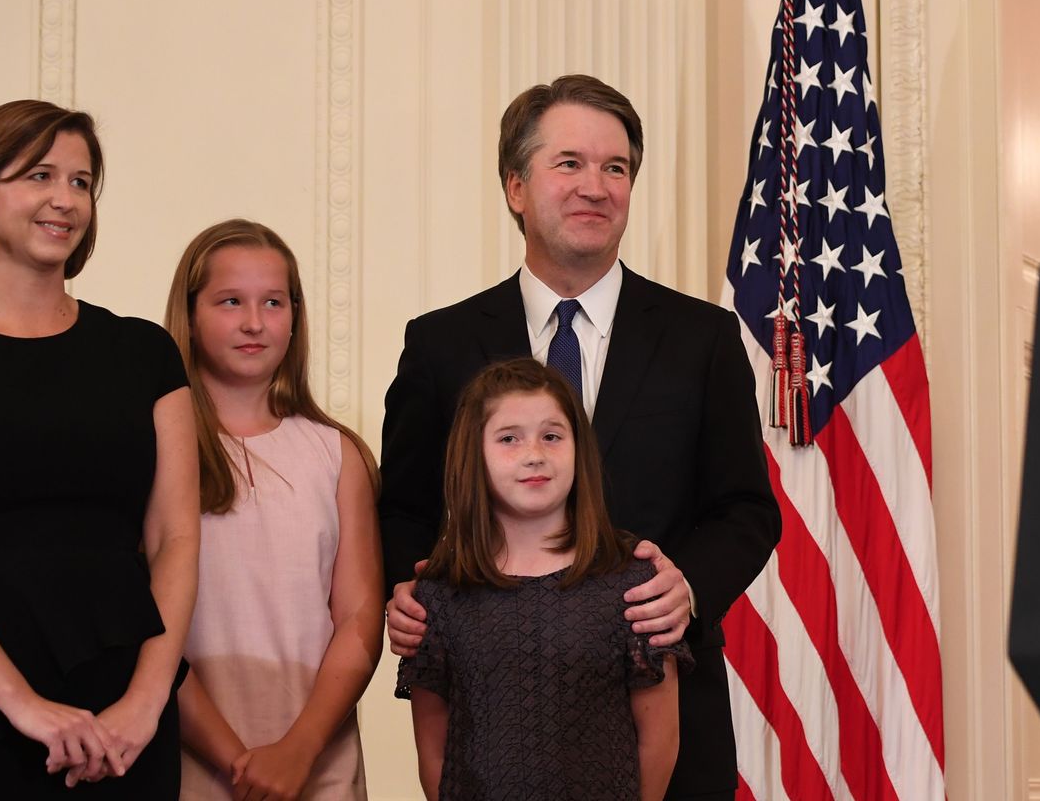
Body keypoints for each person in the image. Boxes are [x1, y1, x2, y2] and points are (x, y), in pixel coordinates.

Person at [380, 74, 779, 799]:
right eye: (569, 163)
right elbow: (403, 507)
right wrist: (406, 591)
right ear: (515, 186)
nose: (596, 185)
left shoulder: (705, 339)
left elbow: (747, 510)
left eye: (615, 167)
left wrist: (685, 590)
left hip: (668, 714)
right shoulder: (439, 344)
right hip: (492, 727)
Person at [0, 100, 199, 797]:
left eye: (81, 182)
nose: (65, 199)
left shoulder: (144, 353)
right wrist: (23, 705)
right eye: (39, 175)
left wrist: (145, 706)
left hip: (121, 705)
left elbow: (177, 538)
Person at [400, 357, 688, 801]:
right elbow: (434, 751)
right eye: (509, 439)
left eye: (552, 436)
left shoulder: (633, 583)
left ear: (579, 450)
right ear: (472, 453)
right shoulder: (440, 594)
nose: (534, 454)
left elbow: (659, 741)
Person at [165, 219, 384, 800]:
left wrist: (297, 751)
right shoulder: (158, 452)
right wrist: (238, 761)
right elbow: (146, 625)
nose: (255, 322)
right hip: (190, 761)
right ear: (189, 314)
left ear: (295, 315)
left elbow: (360, 620)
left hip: (317, 764)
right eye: (230, 301)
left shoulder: (337, 454)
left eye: (273, 302)